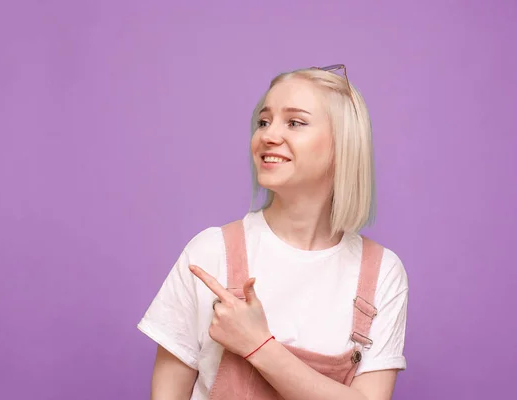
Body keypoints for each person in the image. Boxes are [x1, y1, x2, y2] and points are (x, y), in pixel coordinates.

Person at [137, 65, 409, 400]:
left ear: (343, 145)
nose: (268, 135)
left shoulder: (381, 273)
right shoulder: (210, 253)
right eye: (264, 121)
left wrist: (257, 345)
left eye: (294, 122)